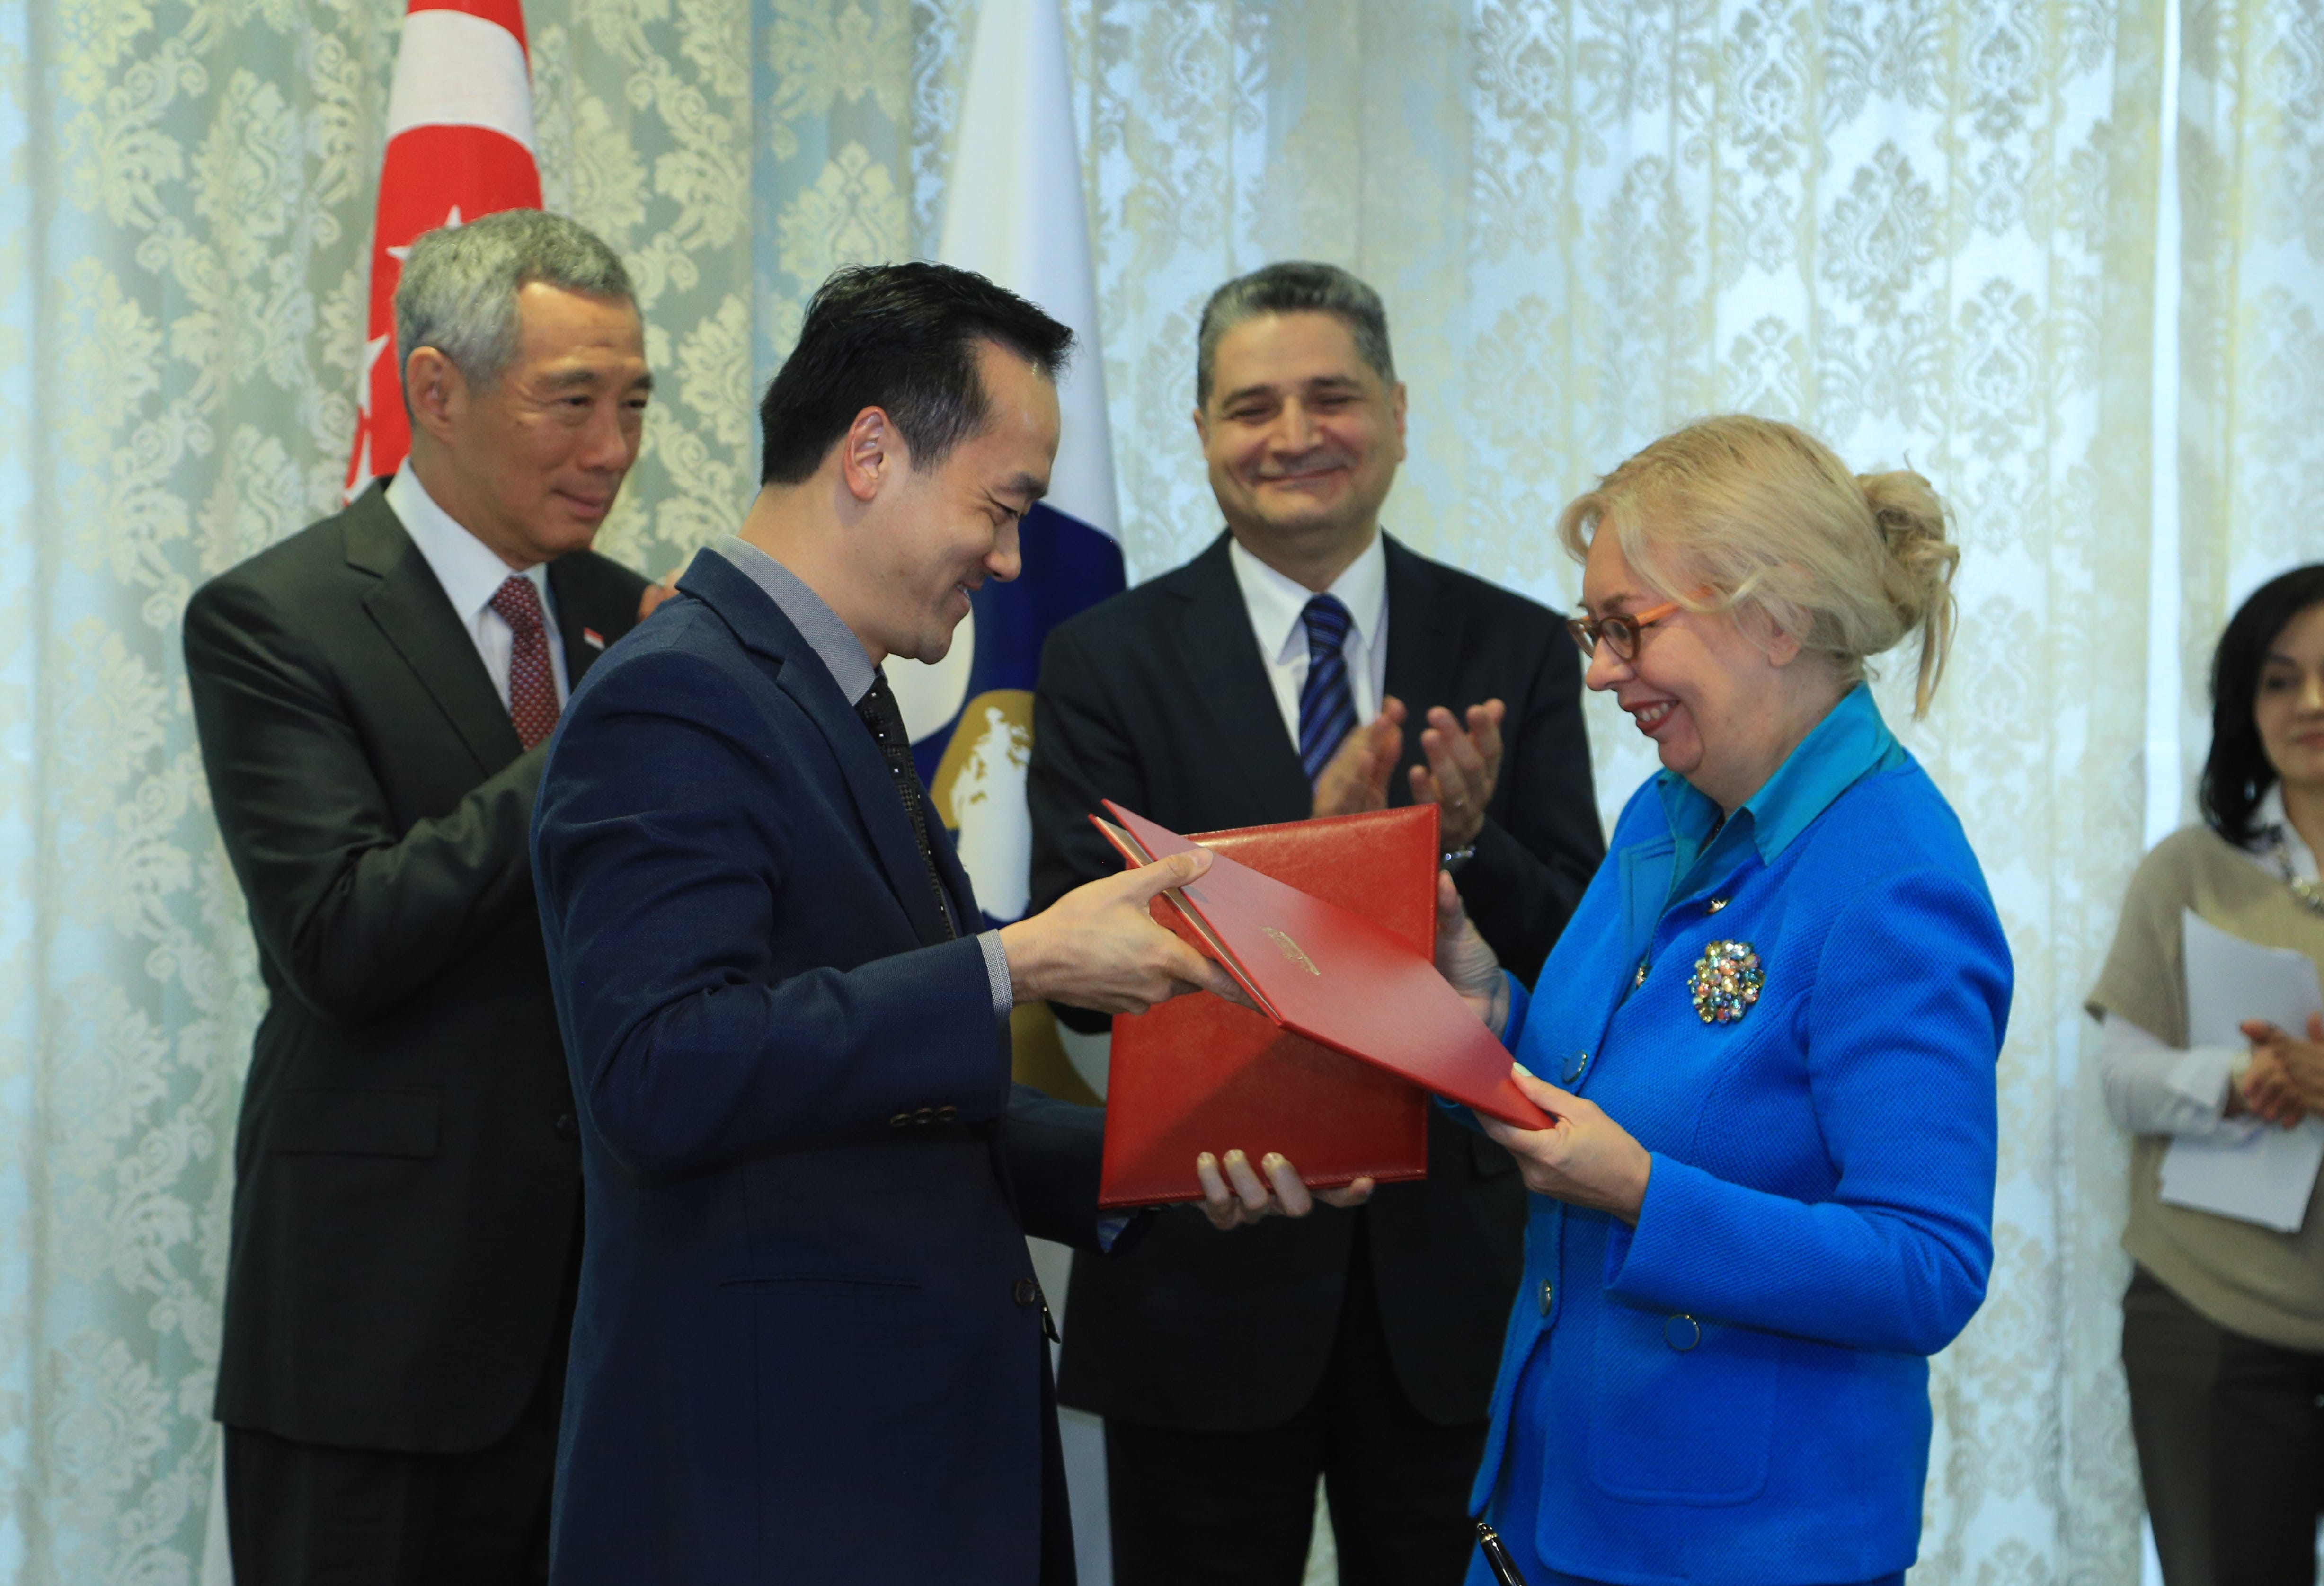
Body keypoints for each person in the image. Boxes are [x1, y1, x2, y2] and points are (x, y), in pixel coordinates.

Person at [530, 261, 1345, 1586]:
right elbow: (660, 1071)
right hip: (779, 1490)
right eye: (1003, 507)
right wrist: (1018, 960)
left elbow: (901, 1109)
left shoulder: (832, 700)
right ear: (870, 454)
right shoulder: (677, 698)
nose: (1016, 560)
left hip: (897, 1469)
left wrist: (1177, 1155)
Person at [1024, 261, 1605, 1586]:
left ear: (1396, 412)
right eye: (1251, 407)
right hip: (1203, 1264)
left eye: (1331, 396)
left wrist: (1463, 840)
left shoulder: (1515, 643)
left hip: (1453, 1283)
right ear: (1202, 435)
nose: (1293, 436)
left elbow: (1575, 951)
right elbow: (1074, 983)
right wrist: (1310, 849)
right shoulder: (1103, 657)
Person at [1428, 415, 2011, 1586]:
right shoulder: (1668, 808)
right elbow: (1597, 1086)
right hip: (1551, 1499)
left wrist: (1643, 1194)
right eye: (1592, 630)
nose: (1596, 670)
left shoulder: (1893, 877)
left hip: (1742, 1546)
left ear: (1776, 614)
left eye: (1625, 627)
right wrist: (1485, 1007)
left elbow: (1925, 1262)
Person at [184, 209, 657, 1583]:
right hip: (377, 1350)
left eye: (634, 405)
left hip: (612, 1332)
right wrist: (603, 732)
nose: (614, 449)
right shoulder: (277, 618)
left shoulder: (624, 613)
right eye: (572, 403)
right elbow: (340, 938)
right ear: (436, 391)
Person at [2090, 562, 2324, 1586]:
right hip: (2205, 1316)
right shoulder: (2188, 868)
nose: (2309, 703)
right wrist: (2231, 1077)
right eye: (2275, 679)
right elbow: (2119, 1077)